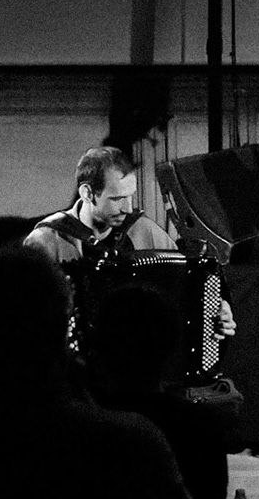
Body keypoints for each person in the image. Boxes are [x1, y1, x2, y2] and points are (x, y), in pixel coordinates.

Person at [24, 144, 232, 353]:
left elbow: (189, 286)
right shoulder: (47, 241)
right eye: (117, 199)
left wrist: (216, 309)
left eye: (130, 196)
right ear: (87, 193)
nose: (128, 208)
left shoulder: (144, 231)